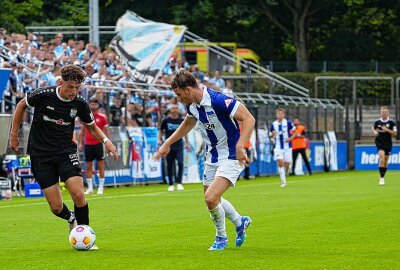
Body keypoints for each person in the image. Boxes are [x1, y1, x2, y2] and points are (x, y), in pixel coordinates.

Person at [9, 64, 118, 250]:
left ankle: (86, 235)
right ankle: (71, 218)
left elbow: (91, 126)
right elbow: (21, 105)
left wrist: (106, 141)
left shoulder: (80, 103)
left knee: (78, 194)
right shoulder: (43, 94)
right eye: (70, 87)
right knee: (56, 207)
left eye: (77, 88)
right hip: (40, 154)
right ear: (61, 82)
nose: (73, 91)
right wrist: (13, 134)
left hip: (65, 152)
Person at [154, 69, 254, 251]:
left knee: (210, 198)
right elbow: (188, 123)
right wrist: (167, 143)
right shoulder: (193, 105)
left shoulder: (218, 100)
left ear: (188, 89)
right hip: (212, 156)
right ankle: (240, 223)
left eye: (178, 95)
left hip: (231, 155)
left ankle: (221, 238)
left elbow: (249, 118)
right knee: (213, 199)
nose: (178, 99)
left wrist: (241, 146)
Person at [79, 98, 110, 195]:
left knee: (101, 166)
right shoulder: (86, 116)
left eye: (95, 104)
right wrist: (80, 143)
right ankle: (90, 188)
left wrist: (107, 143)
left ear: (98, 105)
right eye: (91, 104)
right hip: (88, 144)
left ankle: (100, 188)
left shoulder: (103, 117)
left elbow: (106, 131)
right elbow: (82, 131)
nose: (93, 106)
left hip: (98, 144)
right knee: (89, 166)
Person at [158, 104, 189, 191]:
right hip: (169, 146)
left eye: (176, 108)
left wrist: (187, 143)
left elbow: (185, 132)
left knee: (180, 163)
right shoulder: (166, 121)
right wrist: (159, 139)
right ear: (170, 110)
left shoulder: (181, 120)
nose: (175, 110)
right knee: (170, 165)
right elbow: (160, 130)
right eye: (173, 108)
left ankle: (179, 182)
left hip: (179, 145)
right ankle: (171, 184)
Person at [270, 108, 296, 187]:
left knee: (287, 165)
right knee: (280, 163)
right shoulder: (273, 124)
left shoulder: (288, 123)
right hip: (278, 147)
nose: (280, 115)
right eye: (278, 113)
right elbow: (270, 135)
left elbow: (295, 132)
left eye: (281, 113)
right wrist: (272, 134)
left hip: (287, 147)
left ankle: (287, 170)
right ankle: (283, 182)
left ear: (283, 115)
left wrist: (290, 139)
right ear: (276, 114)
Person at [372, 106, 397, 185]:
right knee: (382, 158)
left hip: (388, 143)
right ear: (380, 113)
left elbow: (395, 133)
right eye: (382, 112)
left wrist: (387, 130)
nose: (384, 114)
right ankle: (381, 178)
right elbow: (373, 128)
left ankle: (382, 175)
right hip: (379, 142)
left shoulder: (392, 122)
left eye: (385, 112)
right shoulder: (377, 122)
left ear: (388, 113)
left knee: (385, 161)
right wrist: (375, 132)